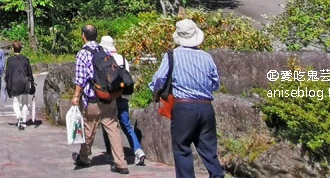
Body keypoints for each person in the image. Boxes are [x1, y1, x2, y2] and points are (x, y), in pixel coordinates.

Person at [149, 19, 225, 178]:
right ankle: (218, 175)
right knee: (208, 149)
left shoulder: (172, 56)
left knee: (182, 148)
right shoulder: (206, 57)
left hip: (183, 107)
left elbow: (159, 80)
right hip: (206, 106)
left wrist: (155, 91)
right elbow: (215, 84)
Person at [71, 24, 130, 174]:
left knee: (89, 130)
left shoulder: (82, 54)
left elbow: (80, 79)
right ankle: (121, 163)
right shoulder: (103, 50)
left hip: (92, 98)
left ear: (83, 36)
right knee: (113, 129)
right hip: (109, 97)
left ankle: (84, 158)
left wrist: (76, 96)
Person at [100, 35, 145, 166]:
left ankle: (110, 153)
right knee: (126, 126)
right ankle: (138, 150)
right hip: (123, 97)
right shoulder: (123, 59)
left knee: (108, 125)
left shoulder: (105, 59)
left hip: (110, 98)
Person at [3, 40, 34, 129]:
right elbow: (29, 73)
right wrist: (31, 82)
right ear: (21, 49)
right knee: (25, 103)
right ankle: (24, 121)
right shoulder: (25, 59)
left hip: (14, 83)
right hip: (24, 83)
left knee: (15, 102)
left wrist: (7, 83)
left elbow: (8, 74)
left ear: (13, 49)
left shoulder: (10, 60)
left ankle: (18, 116)